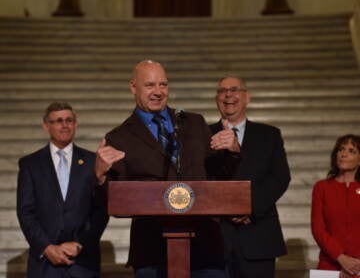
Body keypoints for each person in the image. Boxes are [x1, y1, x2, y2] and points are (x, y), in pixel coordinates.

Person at [95, 60, 240, 278]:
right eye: (150, 85)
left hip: (205, 246)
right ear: (133, 87)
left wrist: (233, 149)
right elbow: (114, 201)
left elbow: (220, 174)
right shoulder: (119, 136)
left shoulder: (192, 121)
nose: (158, 92)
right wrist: (99, 174)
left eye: (163, 85)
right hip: (152, 251)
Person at [208, 76, 291, 278]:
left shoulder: (269, 135)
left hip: (258, 235)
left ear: (247, 97)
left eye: (234, 89)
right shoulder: (203, 135)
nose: (228, 95)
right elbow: (202, 179)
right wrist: (226, 208)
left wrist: (249, 207)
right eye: (222, 91)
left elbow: (280, 177)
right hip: (216, 238)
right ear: (216, 99)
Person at [17, 102, 109, 278]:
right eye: (58, 121)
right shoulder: (30, 164)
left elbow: (101, 208)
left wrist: (80, 244)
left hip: (83, 262)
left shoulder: (93, 162)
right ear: (46, 126)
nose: (65, 125)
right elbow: (25, 212)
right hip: (44, 263)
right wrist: (47, 247)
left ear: (75, 124)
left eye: (69, 120)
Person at [311, 134, 360, 278]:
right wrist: (341, 258)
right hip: (330, 265)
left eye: (352, 151)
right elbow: (318, 229)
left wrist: (354, 265)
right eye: (341, 150)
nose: (344, 154)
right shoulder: (322, 188)